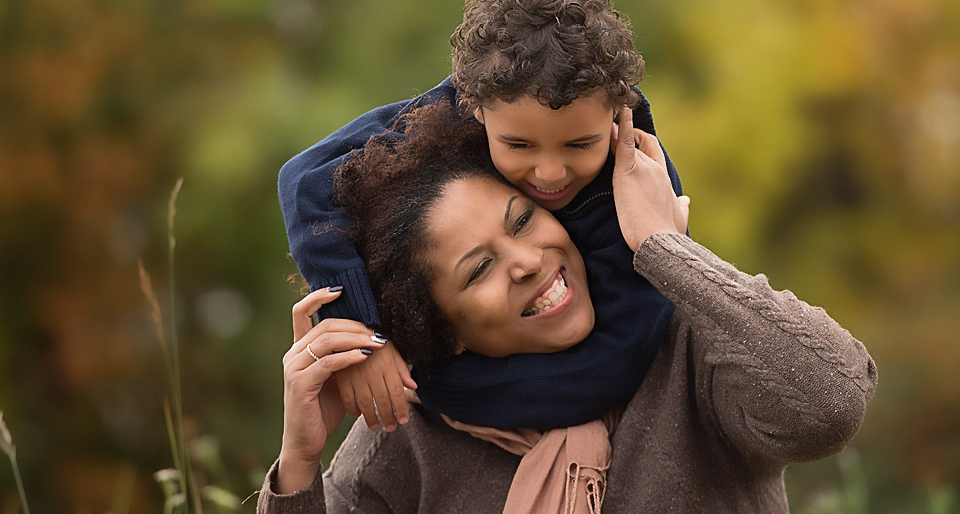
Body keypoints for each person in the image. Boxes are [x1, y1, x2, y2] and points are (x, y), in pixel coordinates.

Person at [259, 103, 877, 513]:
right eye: (480, 269)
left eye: (523, 220)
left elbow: (829, 402)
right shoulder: (406, 433)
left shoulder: (688, 340)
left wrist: (667, 251)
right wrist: (299, 462)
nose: (527, 259)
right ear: (445, 333)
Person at [278, 0, 685, 431]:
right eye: (518, 145)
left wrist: (663, 247)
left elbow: (613, 364)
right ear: (475, 111)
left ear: (618, 114)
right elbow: (305, 180)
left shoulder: (638, 181)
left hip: (575, 369)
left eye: (580, 144)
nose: (550, 173)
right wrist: (368, 339)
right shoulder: (480, 92)